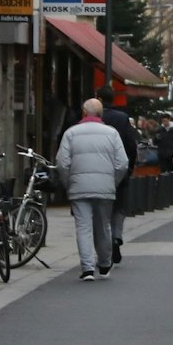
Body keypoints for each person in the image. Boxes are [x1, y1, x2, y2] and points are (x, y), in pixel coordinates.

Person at [55, 98, 128, 281]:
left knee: (83, 227)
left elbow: (62, 163)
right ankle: (104, 264)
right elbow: (122, 163)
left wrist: (69, 183)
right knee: (104, 226)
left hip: (79, 187)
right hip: (105, 187)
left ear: (84, 112)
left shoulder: (71, 133)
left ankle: (87, 268)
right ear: (101, 114)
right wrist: (112, 182)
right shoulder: (112, 133)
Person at [102, 100, 141, 264]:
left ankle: (105, 243)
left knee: (102, 210)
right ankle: (116, 236)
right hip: (119, 168)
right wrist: (129, 167)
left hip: (99, 171)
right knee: (119, 207)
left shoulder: (93, 118)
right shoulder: (122, 118)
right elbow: (131, 145)